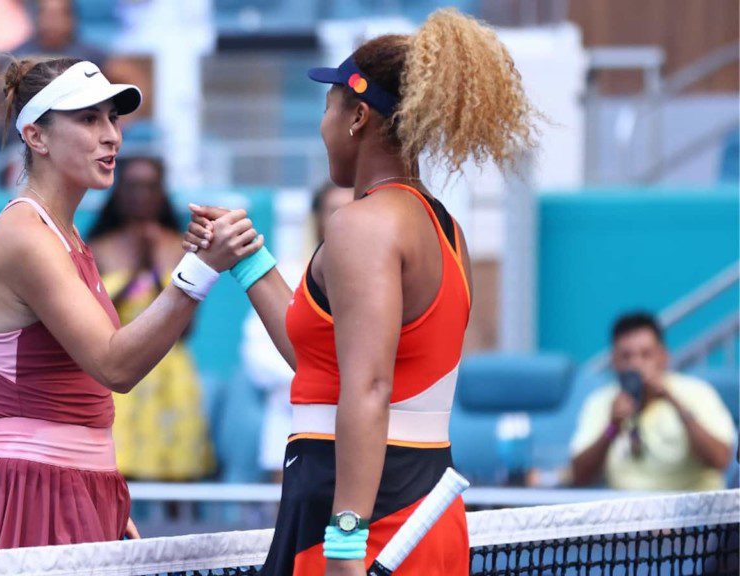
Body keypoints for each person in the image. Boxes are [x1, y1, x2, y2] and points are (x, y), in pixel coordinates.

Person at [186, 10, 536, 575]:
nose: (321, 125)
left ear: (357, 116)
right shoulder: (445, 229)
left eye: (326, 108)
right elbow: (323, 362)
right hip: (422, 515)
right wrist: (250, 259)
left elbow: (368, 388)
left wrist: (346, 544)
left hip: (366, 526)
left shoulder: (362, 224)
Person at [0, 56, 261, 550]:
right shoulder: (23, 236)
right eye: (88, 119)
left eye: (113, 119)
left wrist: (99, 494)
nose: (112, 135)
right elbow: (115, 366)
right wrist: (201, 269)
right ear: (36, 137)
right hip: (32, 486)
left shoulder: (69, 236)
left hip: (82, 485)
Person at [88, 157, 213, 481]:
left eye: (149, 186)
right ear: (118, 192)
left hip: (170, 373)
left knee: (176, 473)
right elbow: (91, 318)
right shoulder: (98, 248)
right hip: (119, 368)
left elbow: (188, 328)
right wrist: (135, 275)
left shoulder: (182, 247)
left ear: (161, 192)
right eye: (132, 186)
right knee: (115, 467)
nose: (140, 195)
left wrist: (157, 275)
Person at [242, 182, 352, 482]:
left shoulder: (377, 278)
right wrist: (323, 381)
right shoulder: (285, 275)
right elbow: (257, 356)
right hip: (290, 417)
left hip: (357, 423)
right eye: (333, 210)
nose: (341, 219)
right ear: (316, 218)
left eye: (349, 209)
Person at [570, 312, 736, 491]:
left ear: (663, 356)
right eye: (626, 356)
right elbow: (579, 477)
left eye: (646, 354)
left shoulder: (697, 392)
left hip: (692, 514)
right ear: (613, 361)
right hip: (626, 514)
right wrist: (612, 427)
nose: (635, 365)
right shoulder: (601, 402)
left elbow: (721, 459)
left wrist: (672, 400)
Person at [14, 0, 108, 67]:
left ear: (72, 18)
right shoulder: (19, 58)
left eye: (58, 15)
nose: (52, 22)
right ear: (37, 17)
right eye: (48, 15)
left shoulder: (94, 58)